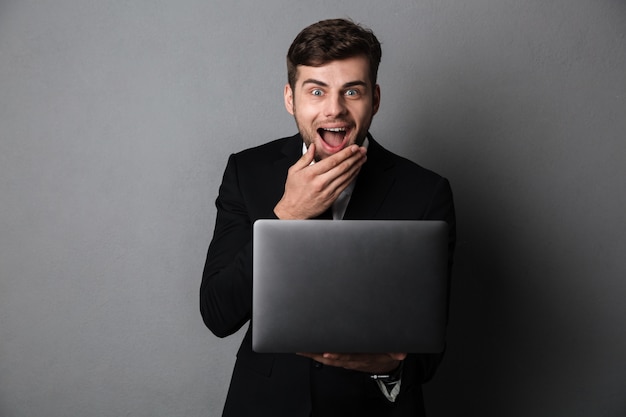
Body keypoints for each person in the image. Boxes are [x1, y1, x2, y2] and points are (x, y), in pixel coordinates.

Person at [200, 18, 456, 417]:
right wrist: (288, 214)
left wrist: (389, 367)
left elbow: (429, 347)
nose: (334, 108)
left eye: (351, 91)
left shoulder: (426, 191)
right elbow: (218, 313)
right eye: (316, 90)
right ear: (291, 99)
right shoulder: (246, 171)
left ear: (374, 98)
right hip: (266, 404)